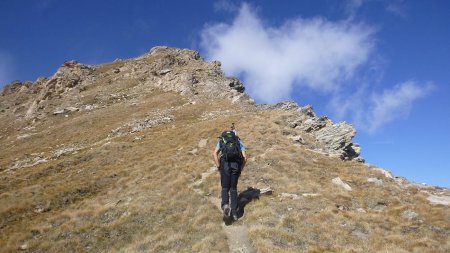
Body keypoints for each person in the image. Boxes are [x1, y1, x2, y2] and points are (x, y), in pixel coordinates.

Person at [213, 124, 247, 221]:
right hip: (236, 166)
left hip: (224, 165)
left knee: (225, 187)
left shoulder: (222, 140)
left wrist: (219, 166)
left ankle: (225, 205)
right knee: (233, 189)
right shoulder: (238, 141)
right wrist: (240, 169)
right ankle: (235, 213)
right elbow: (245, 158)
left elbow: (214, 153)